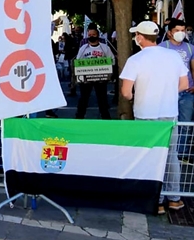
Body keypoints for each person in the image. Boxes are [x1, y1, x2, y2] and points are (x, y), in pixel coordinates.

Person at [120, 21, 186, 214]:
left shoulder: (136, 60)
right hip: (170, 114)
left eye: (136, 35)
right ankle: (174, 199)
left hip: (145, 115)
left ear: (140, 37)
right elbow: (183, 84)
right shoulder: (173, 56)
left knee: (149, 157)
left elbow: (126, 92)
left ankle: (155, 200)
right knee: (171, 156)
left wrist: (134, 96)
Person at [159, 19, 194, 163]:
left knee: (186, 123)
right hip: (168, 93)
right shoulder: (162, 47)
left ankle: (182, 154)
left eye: (183, 30)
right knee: (168, 123)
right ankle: (167, 151)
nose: (181, 33)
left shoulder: (190, 48)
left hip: (187, 92)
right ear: (169, 33)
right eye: (177, 30)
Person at [75, 28, 114, 119]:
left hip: (101, 79)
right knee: (83, 99)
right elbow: (78, 61)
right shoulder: (83, 48)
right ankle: (79, 117)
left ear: (98, 35)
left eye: (93, 34)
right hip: (86, 79)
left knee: (102, 99)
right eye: (90, 35)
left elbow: (112, 60)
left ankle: (106, 118)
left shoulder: (105, 48)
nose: (91, 36)